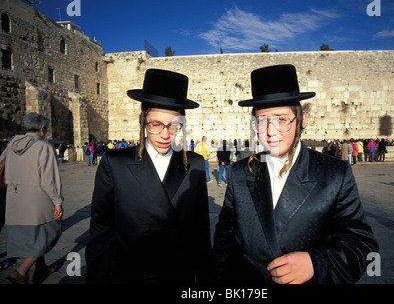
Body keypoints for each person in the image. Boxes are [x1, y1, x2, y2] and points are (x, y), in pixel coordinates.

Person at [213, 64, 378, 284]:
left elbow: (362, 247)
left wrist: (316, 263)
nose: (271, 131)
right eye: (262, 121)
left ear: (302, 119)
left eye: (281, 119)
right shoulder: (240, 172)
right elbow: (224, 245)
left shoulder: (334, 175)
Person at [85, 68, 211, 284]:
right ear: (143, 122)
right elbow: (101, 233)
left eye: (173, 126)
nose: (164, 134)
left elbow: (201, 235)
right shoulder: (114, 163)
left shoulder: (195, 164)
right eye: (155, 124)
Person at [0, 113, 63, 284]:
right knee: (50, 232)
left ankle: (41, 268)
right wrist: (57, 201)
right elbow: (48, 179)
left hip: (15, 199)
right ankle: (21, 272)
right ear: (42, 129)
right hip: (38, 201)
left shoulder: (11, 145)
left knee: (34, 236)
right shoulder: (44, 147)